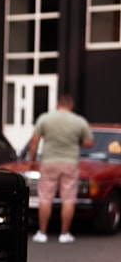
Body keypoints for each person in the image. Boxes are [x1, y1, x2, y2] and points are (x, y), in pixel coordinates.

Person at [28, 93, 94, 244]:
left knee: (45, 198)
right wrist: (75, 141)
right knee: (68, 199)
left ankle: (42, 232)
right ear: (71, 105)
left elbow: (34, 141)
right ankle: (64, 233)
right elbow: (89, 142)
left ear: (58, 105)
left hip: (49, 161)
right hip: (70, 162)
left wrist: (32, 160)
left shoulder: (45, 118)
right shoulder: (79, 121)